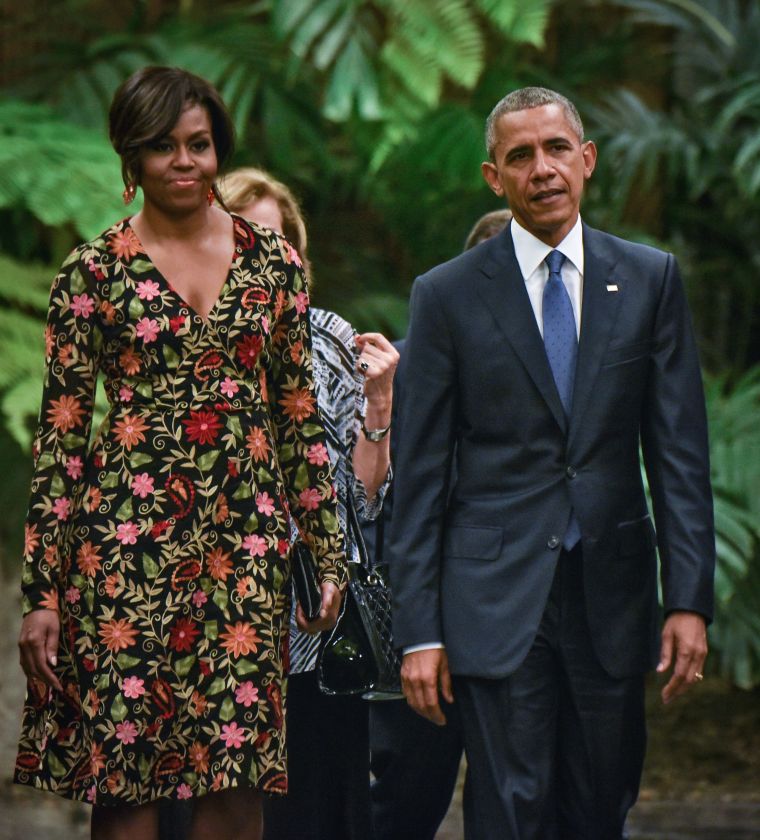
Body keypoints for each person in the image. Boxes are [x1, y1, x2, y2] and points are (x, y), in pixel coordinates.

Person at [15, 67, 347, 840]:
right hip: (124, 548)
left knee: (236, 776)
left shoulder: (275, 266)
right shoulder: (90, 274)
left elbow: (298, 418)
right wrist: (44, 593)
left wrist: (323, 552)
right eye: (161, 146)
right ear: (131, 158)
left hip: (243, 544)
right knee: (127, 781)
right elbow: (61, 437)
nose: (184, 161)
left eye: (199, 144)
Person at [390, 86, 715, 839]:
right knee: (511, 809)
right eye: (520, 156)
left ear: (587, 159)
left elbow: (678, 453)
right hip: (494, 597)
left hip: (612, 588)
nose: (542, 169)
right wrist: (420, 631)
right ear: (492, 177)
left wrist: (689, 599)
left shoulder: (648, 278)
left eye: (556, 148)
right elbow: (422, 474)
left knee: (600, 805)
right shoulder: (445, 296)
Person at [219, 167, 399, 840]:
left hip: (316, 626)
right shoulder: (180, 336)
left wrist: (379, 404)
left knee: (313, 812)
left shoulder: (327, 337)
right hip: (212, 628)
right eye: (246, 236)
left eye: (280, 239)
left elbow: (366, 497)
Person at [367, 207, 511, 840]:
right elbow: (377, 503)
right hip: (413, 613)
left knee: (510, 793)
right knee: (401, 798)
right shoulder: (399, 366)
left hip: (509, 615)